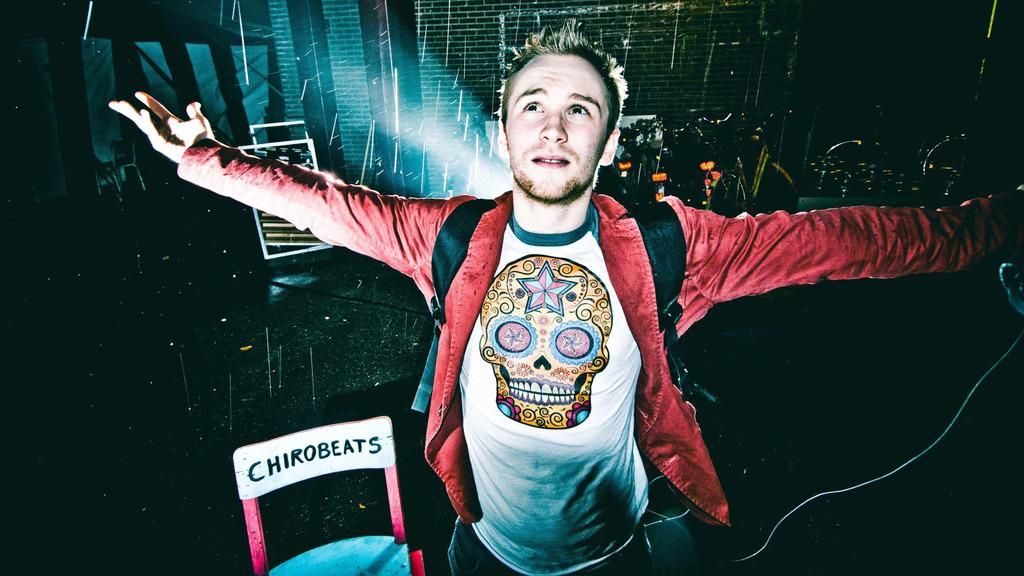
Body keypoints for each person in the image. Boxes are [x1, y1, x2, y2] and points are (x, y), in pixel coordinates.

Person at [110, 19, 1022, 576]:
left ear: (608, 141)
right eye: (533, 105)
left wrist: (1002, 223)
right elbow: (330, 206)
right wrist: (204, 159)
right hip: (483, 549)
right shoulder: (452, 239)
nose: (553, 124)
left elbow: (857, 240)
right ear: (505, 133)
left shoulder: (671, 246)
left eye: (579, 108)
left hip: (614, 553)